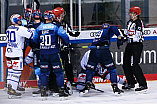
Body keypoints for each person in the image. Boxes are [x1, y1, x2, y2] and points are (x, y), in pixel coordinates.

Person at [32, 10, 69, 99]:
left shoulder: (39, 28)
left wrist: (39, 47)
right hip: (54, 53)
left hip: (43, 53)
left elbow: (34, 39)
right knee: (59, 72)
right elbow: (64, 36)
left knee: (44, 73)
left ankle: (43, 90)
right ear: (51, 17)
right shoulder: (55, 26)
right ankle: (61, 90)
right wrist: (65, 44)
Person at [81, 23, 124, 95]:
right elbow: (114, 28)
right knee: (112, 69)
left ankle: (87, 84)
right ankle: (115, 87)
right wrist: (119, 35)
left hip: (94, 51)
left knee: (90, 70)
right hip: (103, 50)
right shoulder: (108, 29)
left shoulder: (99, 32)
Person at [5, 14, 33, 98]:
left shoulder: (9, 28)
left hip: (8, 53)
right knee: (16, 72)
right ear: (17, 21)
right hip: (16, 53)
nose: (21, 21)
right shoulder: (21, 29)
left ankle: (9, 86)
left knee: (10, 71)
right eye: (20, 20)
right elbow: (31, 35)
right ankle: (12, 89)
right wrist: (30, 29)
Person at [121, 6, 148, 92]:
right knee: (125, 64)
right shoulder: (129, 22)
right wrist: (123, 36)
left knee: (134, 65)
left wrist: (127, 37)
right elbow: (127, 32)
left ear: (136, 14)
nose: (129, 14)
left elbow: (138, 36)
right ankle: (131, 82)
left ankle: (143, 84)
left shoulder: (139, 23)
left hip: (136, 45)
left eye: (131, 13)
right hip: (129, 45)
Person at [24, 9, 43, 96]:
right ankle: (46, 87)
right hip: (44, 50)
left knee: (38, 69)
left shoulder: (29, 26)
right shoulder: (44, 25)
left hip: (36, 50)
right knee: (44, 68)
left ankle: (42, 87)